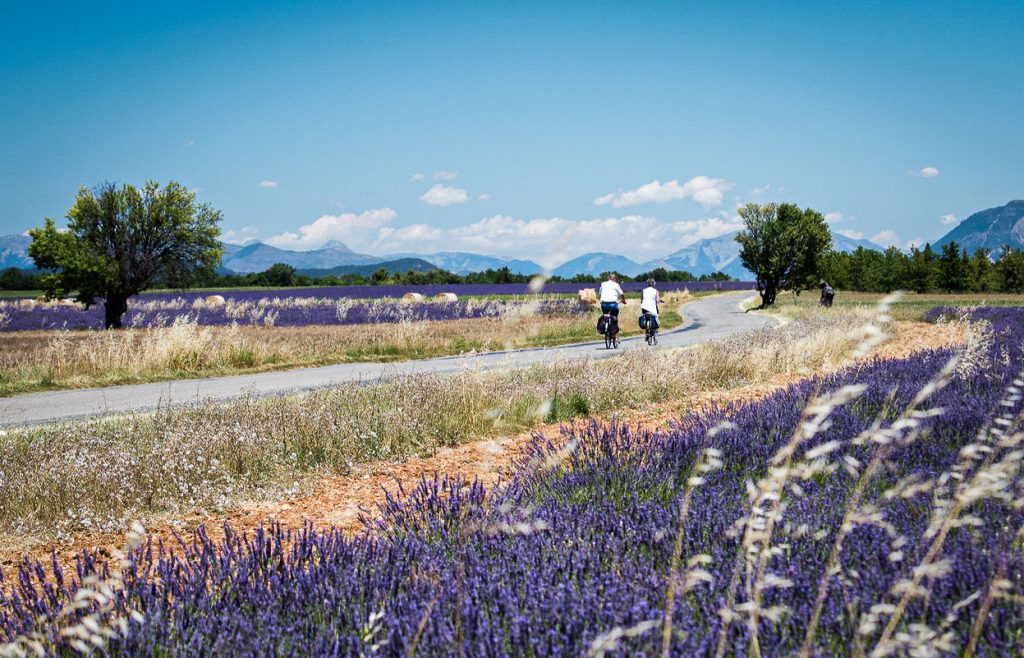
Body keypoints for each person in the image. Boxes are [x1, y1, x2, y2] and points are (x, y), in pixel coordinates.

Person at [598, 273, 626, 339]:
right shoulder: (616, 284)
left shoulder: (603, 284)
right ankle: (616, 334)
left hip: (604, 304)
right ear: (614, 279)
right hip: (613, 304)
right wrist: (623, 301)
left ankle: (606, 328)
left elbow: (599, 293)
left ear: (608, 278)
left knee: (605, 315)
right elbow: (621, 294)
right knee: (615, 317)